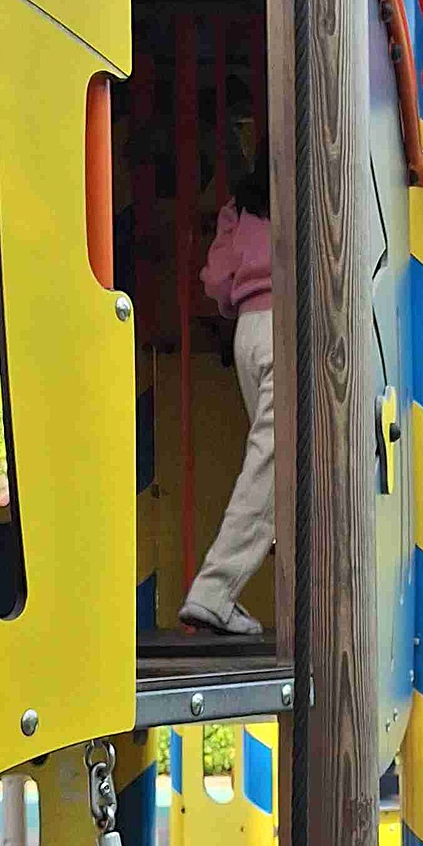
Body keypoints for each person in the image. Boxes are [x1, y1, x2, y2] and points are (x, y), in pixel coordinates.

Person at [178, 157, 274, 639]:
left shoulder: (241, 204)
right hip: (286, 324)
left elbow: (216, 279)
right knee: (273, 466)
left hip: (248, 332)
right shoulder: (309, 188)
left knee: (277, 467)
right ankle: (214, 592)